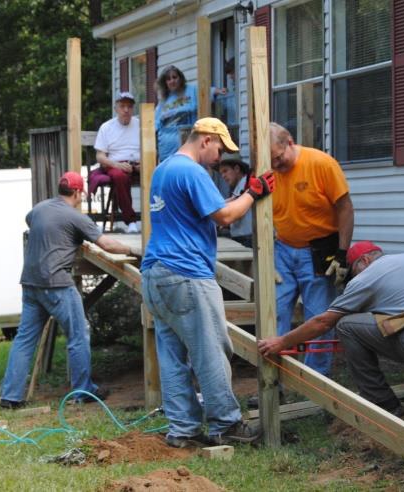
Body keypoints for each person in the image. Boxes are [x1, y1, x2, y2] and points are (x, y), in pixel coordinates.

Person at [140, 117, 275, 448]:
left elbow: (210, 210)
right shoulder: (193, 171)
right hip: (186, 274)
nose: (221, 159)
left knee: (172, 355)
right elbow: (226, 217)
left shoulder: (164, 170)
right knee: (211, 349)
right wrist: (253, 192)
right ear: (205, 140)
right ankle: (225, 424)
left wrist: (240, 197)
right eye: (220, 150)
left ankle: (183, 430)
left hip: (156, 275)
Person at [0, 172, 141, 409]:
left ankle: (10, 396)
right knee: (78, 334)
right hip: (56, 284)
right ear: (78, 193)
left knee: (24, 339)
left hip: (31, 282)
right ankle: (82, 390)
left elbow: (31, 221)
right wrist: (137, 251)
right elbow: (106, 244)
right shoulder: (76, 217)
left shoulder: (39, 209)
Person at [258, 241, 404, 416]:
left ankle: (382, 403)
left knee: (346, 325)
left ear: (364, 260)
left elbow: (323, 322)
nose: (354, 278)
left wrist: (282, 341)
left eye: (353, 272)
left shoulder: (367, 277)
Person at [269, 122, 354, 376]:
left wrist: (341, 253)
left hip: (317, 250)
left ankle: (315, 382)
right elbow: (257, 209)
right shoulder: (266, 168)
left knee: (317, 318)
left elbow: (346, 209)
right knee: (275, 311)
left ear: (290, 143)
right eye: (271, 161)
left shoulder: (321, 164)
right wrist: (264, 257)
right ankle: (276, 378)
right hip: (282, 249)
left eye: (279, 158)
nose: (276, 165)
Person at [94, 91, 141, 233]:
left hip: (138, 164)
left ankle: (159, 221)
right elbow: (100, 156)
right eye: (122, 106)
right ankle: (131, 221)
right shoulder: (106, 127)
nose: (126, 110)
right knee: (120, 176)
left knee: (160, 174)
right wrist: (117, 165)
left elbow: (152, 148)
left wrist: (143, 163)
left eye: (129, 106)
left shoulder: (141, 124)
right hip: (115, 164)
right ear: (116, 108)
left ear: (133, 108)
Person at [155, 65, 198, 162]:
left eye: (174, 77)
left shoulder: (191, 90)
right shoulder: (163, 102)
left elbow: (206, 93)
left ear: (180, 78)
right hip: (167, 146)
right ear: (165, 83)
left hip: (187, 141)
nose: (172, 81)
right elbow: (155, 123)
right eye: (168, 79)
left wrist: (216, 91)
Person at [217, 157, 252, 248]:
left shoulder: (245, 182)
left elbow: (235, 200)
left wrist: (215, 209)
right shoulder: (238, 186)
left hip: (247, 236)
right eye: (221, 173)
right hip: (243, 235)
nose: (223, 176)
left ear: (236, 169)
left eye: (225, 171)